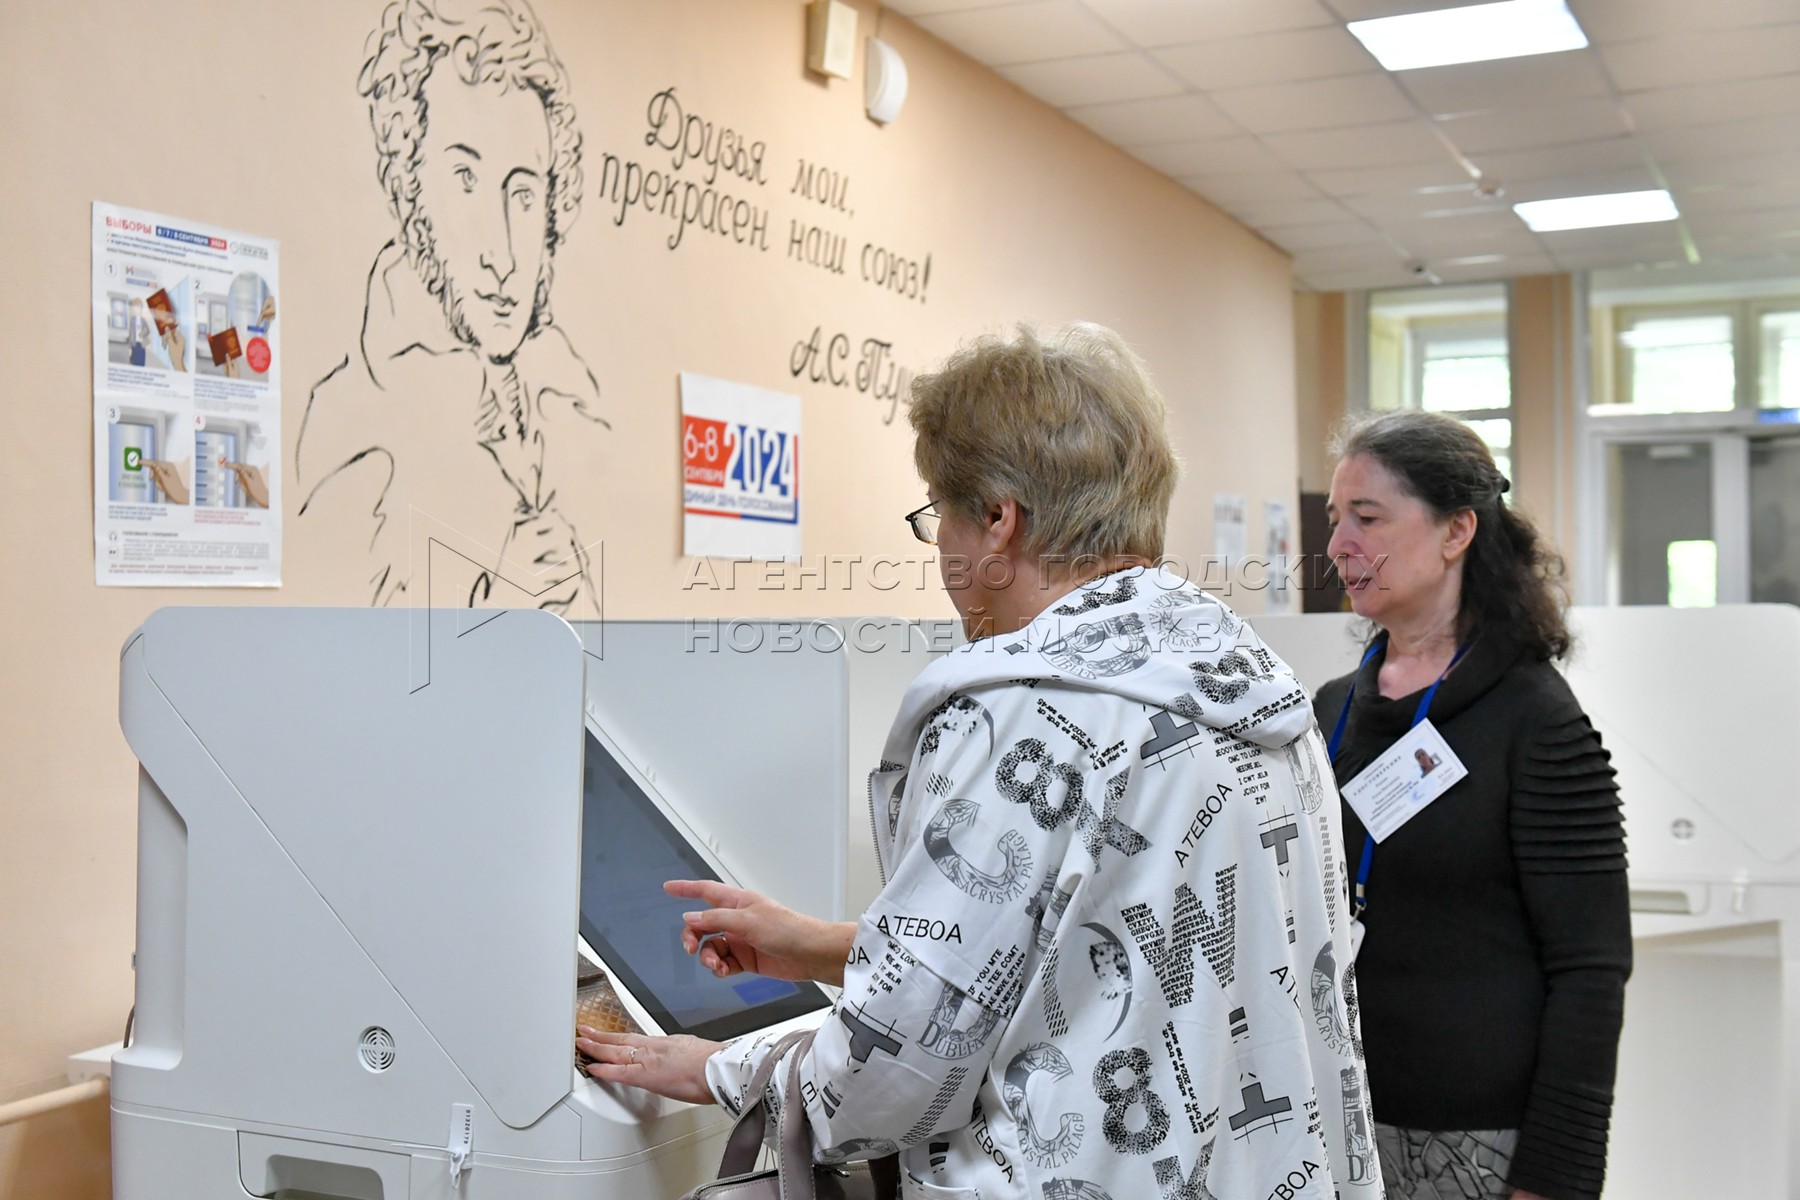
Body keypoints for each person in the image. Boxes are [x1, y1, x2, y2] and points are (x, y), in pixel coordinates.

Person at [579, 324, 1382, 1199]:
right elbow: (1112, 949)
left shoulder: (1015, 713)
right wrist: (832, 948)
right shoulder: (1255, 690)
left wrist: (724, 1068)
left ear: (1000, 519)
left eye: (939, 515)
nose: (941, 554)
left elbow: (891, 1079)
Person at [1315, 410, 1630, 1200]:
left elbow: (1591, 969)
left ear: (1457, 530)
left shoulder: (1536, 720)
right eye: (1335, 519)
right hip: (1339, 1124)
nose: (1339, 545)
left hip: (1478, 1145)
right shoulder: (1331, 710)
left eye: (1367, 518)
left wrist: (1556, 1173)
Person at [296, 0, 606, 610]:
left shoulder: (570, 408)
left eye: (523, 193)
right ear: (411, 191)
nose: (502, 255)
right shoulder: (354, 437)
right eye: (466, 181)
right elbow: (327, 663)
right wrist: (501, 613)